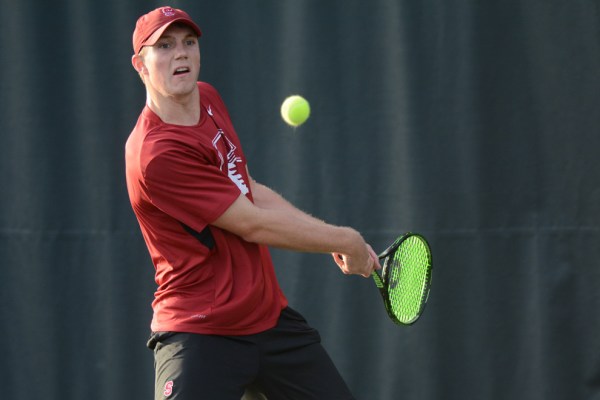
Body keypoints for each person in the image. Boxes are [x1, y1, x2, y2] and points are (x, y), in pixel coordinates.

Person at [125, 6, 381, 400]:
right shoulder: (157, 154)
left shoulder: (207, 98)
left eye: (189, 42)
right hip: (201, 330)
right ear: (140, 64)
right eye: (165, 46)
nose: (181, 53)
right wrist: (346, 239)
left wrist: (333, 240)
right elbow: (251, 223)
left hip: (267, 318)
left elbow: (247, 189)